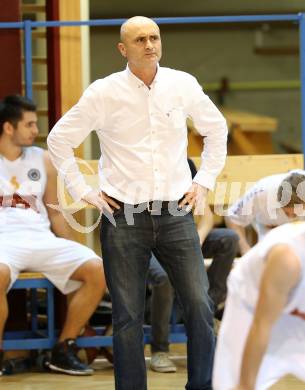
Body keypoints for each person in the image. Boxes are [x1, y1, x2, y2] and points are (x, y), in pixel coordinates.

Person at [47, 16, 228, 390]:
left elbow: (217, 129)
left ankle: (203, 385)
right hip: (122, 216)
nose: (149, 44)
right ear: (122, 49)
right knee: (128, 316)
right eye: (140, 39)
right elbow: (58, 139)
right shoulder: (103, 92)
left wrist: (204, 181)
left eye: (154, 37)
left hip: (176, 212)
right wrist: (83, 190)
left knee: (199, 305)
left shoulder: (182, 84)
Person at [0, 95, 106, 376]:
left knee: (97, 269)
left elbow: (56, 213)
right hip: (4, 241)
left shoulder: (43, 158)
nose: (36, 130)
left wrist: (77, 252)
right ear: (9, 128)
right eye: (30, 124)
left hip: (40, 238)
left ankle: (63, 348)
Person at [148, 159, 239, 373]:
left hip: (182, 238)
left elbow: (206, 217)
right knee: (164, 278)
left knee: (228, 238)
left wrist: (197, 239)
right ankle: (159, 350)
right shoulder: (145, 164)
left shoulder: (185, 164)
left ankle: (210, 308)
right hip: (147, 243)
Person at [213, 221, 305, 390]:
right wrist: (245, 385)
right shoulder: (287, 256)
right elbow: (261, 325)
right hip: (250, 306)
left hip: (295, 309)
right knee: (237, 384)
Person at [225, 170, 305, 254]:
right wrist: (245, 251)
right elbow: (233, 219)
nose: (290, 218)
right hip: (269, 228)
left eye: (295, 214)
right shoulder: (261, 192)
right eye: (287, 213)